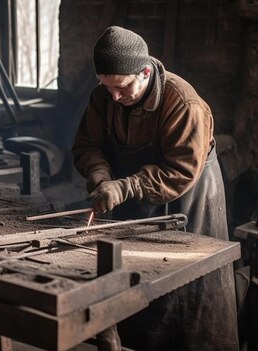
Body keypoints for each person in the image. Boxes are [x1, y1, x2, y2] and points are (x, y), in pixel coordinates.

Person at [72, 26, 239, 350]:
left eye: (121, 87)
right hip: (134, 205)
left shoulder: (183, 103)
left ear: (145, 72)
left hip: (188, 203)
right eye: (107, 88)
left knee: (189, 299)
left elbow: (179, 170)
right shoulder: (104, 97)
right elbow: (87, 145)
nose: (114, 97)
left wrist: (126, 187)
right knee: (137, 297)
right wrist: (100, 175)